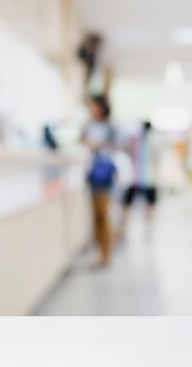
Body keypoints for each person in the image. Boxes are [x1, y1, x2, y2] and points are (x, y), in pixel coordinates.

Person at [82, 95, 117, 267]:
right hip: (92, 173)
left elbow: (112, 146)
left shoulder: (109, 127)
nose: (92, 109)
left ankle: (106, 253)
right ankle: (101, 252)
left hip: (104, 173)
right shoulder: (88, 126)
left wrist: (95, 144)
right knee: (96, 215)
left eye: (94, 106)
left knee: (103, 214)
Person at [119, 121, 159, 237]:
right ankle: (129, 227)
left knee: (144, 204)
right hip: (138, 177)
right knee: (142, 204)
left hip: (142, 177)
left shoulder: (142, 141)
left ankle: (129, 227)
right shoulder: (138, 141)